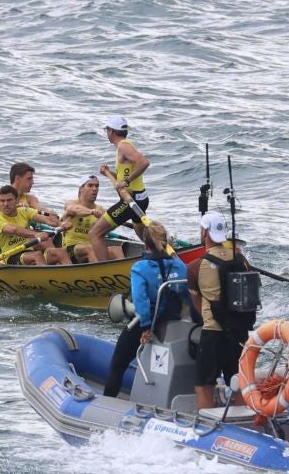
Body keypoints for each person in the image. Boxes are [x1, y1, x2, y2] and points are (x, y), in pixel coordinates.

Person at [103, 220, 189, 398]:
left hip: (150, 322)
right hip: (174, 321)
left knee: (117, 365)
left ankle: (108, 400)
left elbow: (140, 302)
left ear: (144, 244)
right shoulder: (180, 266)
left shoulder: (140, 268)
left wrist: (146, 329)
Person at [193, 212, 257, 409]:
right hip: (240, 332)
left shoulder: (195, 266)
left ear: (204, 232)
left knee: (204, 385)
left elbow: (196, 304)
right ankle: (242, 425)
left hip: (213, 333)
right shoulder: (241, 259)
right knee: (239, 383)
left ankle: (206, 427)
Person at [89, 116, 151, 262]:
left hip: (131, 201)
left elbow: (144, 162)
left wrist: (126, 181)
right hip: (139, 198)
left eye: (107, 130)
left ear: (111, 132)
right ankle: (160, 254)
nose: (107, 133)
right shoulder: (125, 145)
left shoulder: (123, 146)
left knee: (95, 233)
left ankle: (105, 270)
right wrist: (109, 173)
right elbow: (123, 178)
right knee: (144, 237)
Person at [0, 186, 70, 265]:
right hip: (9, 257)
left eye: (9, 200)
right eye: (2, 201)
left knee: (60, 252)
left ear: (17, 200)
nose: (5, 204)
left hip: (28, 252)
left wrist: (61, 223)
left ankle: (71, 276)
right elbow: (14, 230)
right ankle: (45, 278)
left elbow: (50, 221)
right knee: (37, 255)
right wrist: (35, 234)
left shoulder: (24, 211)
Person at [61, 175, 124, 263]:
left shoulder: (100, 209)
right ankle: (101, 273)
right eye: (90, 185)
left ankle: (127, 275)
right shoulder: (71, 203)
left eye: (97, 186)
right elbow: (74, 209)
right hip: (70, 250)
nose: (94, 189)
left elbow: (118, 219)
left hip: (91, 248)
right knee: (89, 248)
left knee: (116, 250)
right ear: (81, 188)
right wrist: (91, 212)